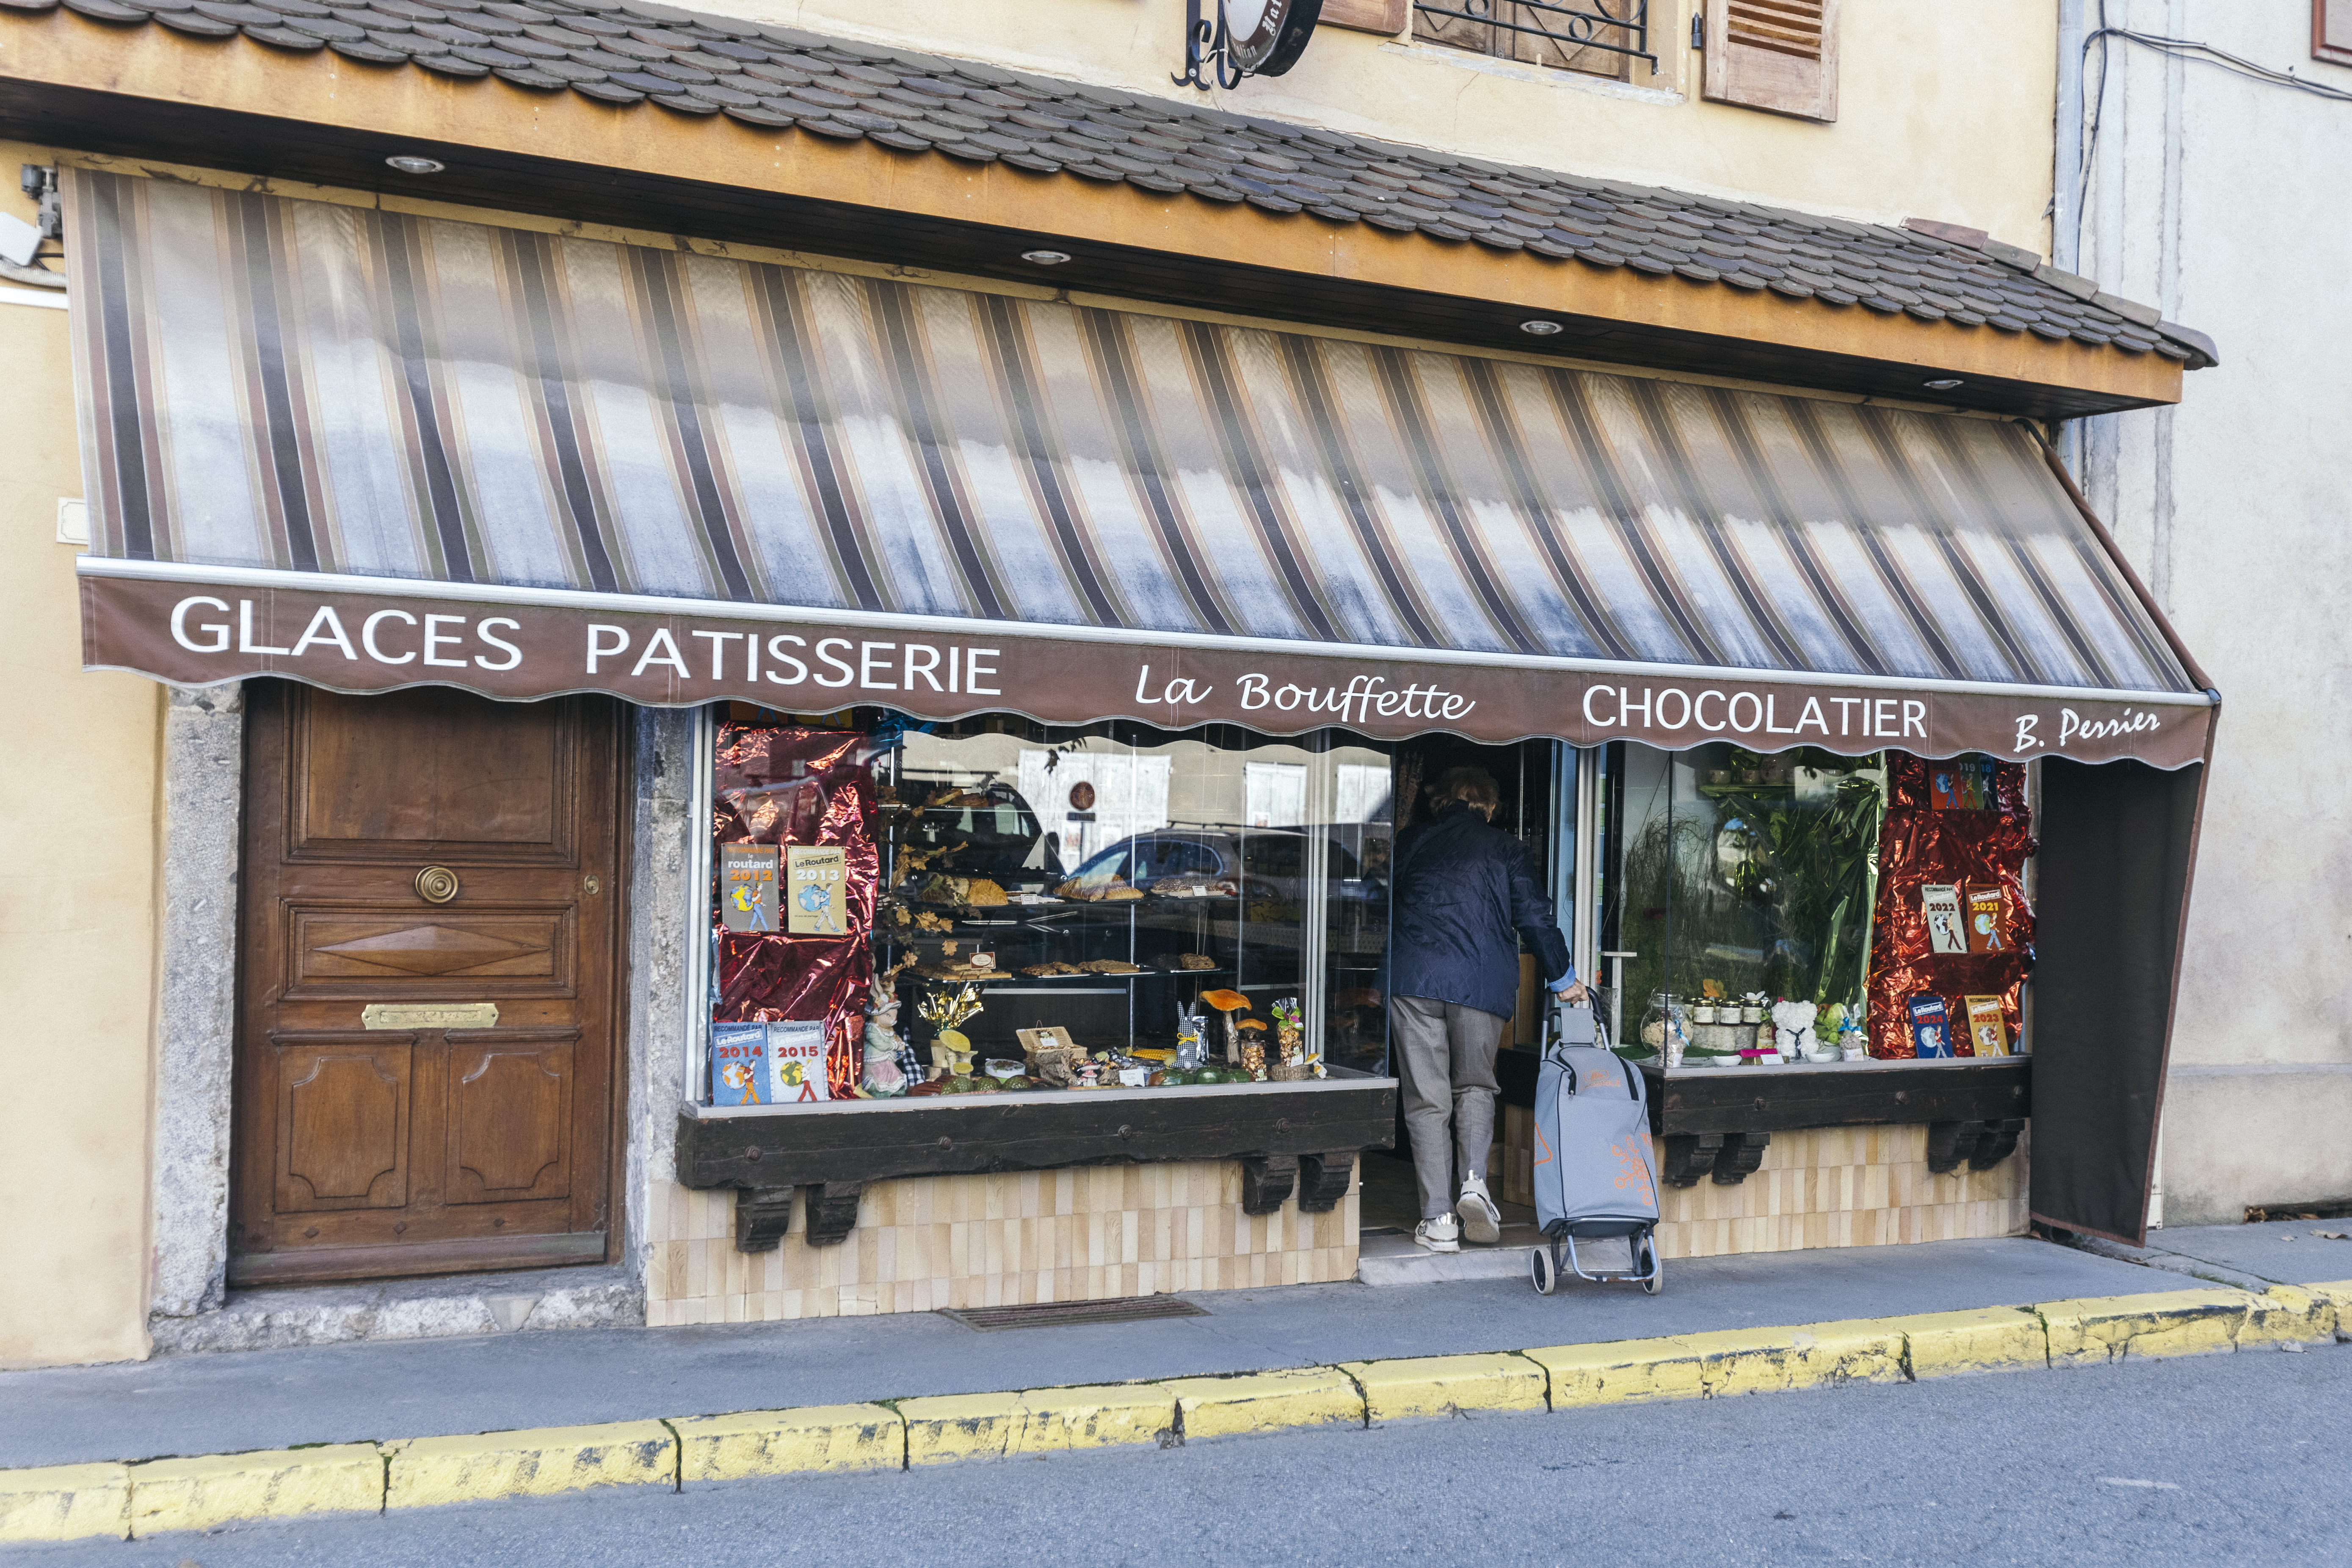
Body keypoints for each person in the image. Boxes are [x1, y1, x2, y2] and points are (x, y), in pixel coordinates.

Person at [1387, 766, 1587, 1253]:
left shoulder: (1411, 842)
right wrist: (1564, 979)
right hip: (1480, 980)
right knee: (1475, 1086)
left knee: (1426, 1100)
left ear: (1441, 802)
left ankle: (1438, 1220)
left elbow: (1387, 903)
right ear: (1492, 807)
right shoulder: (1507, 848)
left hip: (1413, 979)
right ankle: (1474, 1183)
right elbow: (1535, 917)